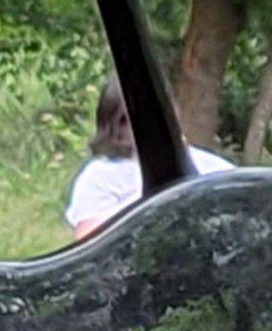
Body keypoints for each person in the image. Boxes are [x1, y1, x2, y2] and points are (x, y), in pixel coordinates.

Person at [66, 75, 232, 240]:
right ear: (113, 124)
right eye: (126, 120)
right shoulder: (100, 176)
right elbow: (90, 243)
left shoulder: (212, 167)